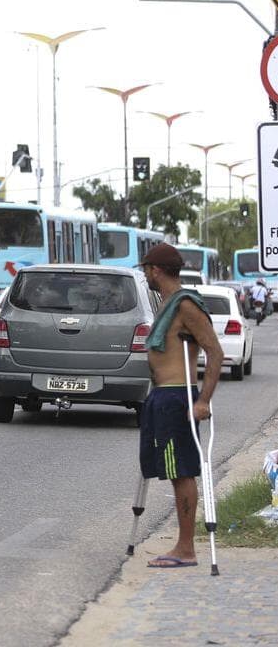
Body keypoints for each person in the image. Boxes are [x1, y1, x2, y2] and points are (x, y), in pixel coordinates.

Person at [138, 243, 223, 569]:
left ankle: (186, 548)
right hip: (161, 396)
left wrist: (204, 400)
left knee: (181, 471)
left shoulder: (186, 305)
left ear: (155, 270)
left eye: (146, 268)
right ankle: (183, 545)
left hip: (178, 397)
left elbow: (214, 351)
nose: (144, 274)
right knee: (168, 469)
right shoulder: (166, 304)